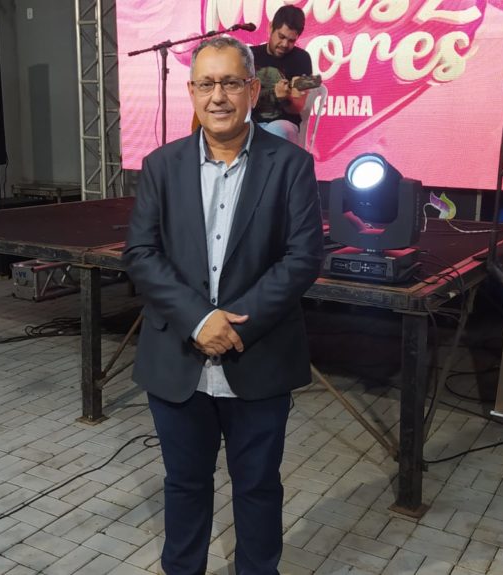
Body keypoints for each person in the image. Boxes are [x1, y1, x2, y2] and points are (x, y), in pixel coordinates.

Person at [122, 35, 323, 575]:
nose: (218, 96)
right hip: (177, 359)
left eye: (231, 82)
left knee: (258, 486)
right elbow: (141, 253)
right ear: (191, 91)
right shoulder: (160, 166)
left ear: (253, 90)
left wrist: (232, 327)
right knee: (184, 484)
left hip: (258, 356)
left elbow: (303, 258)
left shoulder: (291, 165)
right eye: (207, 83)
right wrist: (199, 320)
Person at [250, 5, 314, 144]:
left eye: (291, 40)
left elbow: (298, 108)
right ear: (270, 27)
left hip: (284, 125)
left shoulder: (303, 59)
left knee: (276, 130)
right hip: (251, 124)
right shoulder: (249, 55)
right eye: (281, 36)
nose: (285, 44)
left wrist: (285, 98)